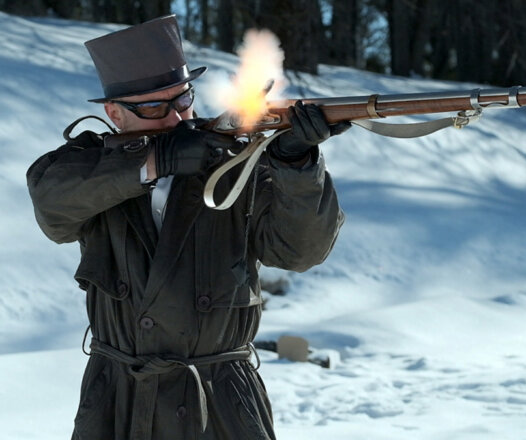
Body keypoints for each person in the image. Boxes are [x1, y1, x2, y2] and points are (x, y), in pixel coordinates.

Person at [26, 15, 347, 440]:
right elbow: (53, 206)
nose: (177, 119)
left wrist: (296, 165)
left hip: (219, 400)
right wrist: (155, 163)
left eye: (182, 101)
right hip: (117, 399)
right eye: (156, 108)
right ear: (114, 113)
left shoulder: (236, 162)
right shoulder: (91, 166)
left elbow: (299, 253)